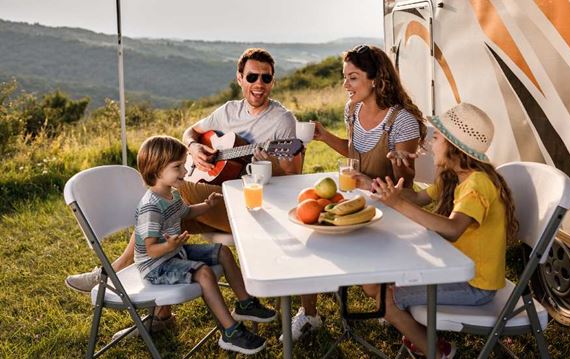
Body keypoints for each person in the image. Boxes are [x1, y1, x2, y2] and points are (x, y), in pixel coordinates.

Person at [65, 48, 301, 336]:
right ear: (240, 78)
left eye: (266, 77)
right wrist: (194, 147)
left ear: (273, 81)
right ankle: (158, 313)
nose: (259, 83)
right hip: (214, 200)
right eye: (252, 76)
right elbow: (191, 131)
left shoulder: (281, 120)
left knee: (168, 200)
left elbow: (292, 173)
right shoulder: (228, 111)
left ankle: (105, 274)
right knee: (168, 217)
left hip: (252, 208)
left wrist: (271, 160)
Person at [284, 44, 425, 342]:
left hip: (392, 211)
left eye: (353, 78)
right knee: (310, 237)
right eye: (344, 77)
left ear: (376, 79)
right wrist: (324, 137)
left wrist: (395, 168)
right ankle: (310, 312)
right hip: (358, 202)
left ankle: (394, 304)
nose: (345, 85)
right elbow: (354, 151)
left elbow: (405, 183)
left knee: (343, 258)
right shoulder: (353, 109)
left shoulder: (401, 121)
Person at [363, 103, 518, 358]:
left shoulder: (477, 184)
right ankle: (420, 334)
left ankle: (436, 351)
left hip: (474, 283)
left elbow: (453, 229)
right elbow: (418, 198)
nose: (430, 144)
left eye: (436, 138)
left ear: (453, 147)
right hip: (452, 268)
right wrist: (375, 186)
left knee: (382, 294)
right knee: (376, 281)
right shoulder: (455, 176)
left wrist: (397, 203)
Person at [133, 135, 275, 355]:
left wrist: (206, 205)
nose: (184, 172)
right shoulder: (150, 207)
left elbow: (187, 212)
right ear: (156, 170)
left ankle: (245, 303)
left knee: (223, 251)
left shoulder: (171, 194)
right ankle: (230, 332)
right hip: (156, 265)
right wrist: (169, 246)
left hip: (173, 252)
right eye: (178, 167)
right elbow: (150, 249)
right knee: (204, 273)